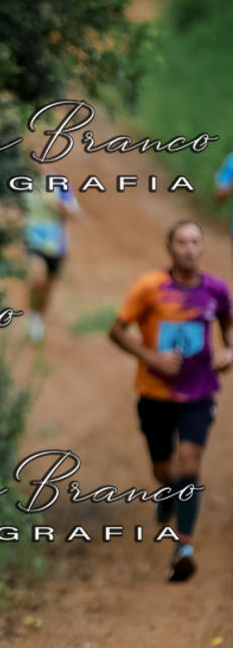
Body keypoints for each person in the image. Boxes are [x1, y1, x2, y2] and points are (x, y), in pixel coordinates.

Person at [109, 220, 232, 582]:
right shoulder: (150, 288)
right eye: (182, 242)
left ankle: (184, 546)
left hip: (199, 392)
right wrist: (151, 357)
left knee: (190, 463)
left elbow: (228, 322)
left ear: (203, 246)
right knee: (165, 470)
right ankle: (167, 489)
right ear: (170, 247)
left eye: (195, 241)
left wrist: (229, 350)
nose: (189, 248)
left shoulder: (216, 289)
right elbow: (116, 331)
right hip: (155, 393)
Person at [23, 179, 79, 341]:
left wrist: (58, 204)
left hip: (56, 246)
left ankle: (37, 317)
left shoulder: (61, 185)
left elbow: (74, 213)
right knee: (37, 277)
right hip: (33, 243)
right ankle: (32, 315)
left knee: (48, 288)